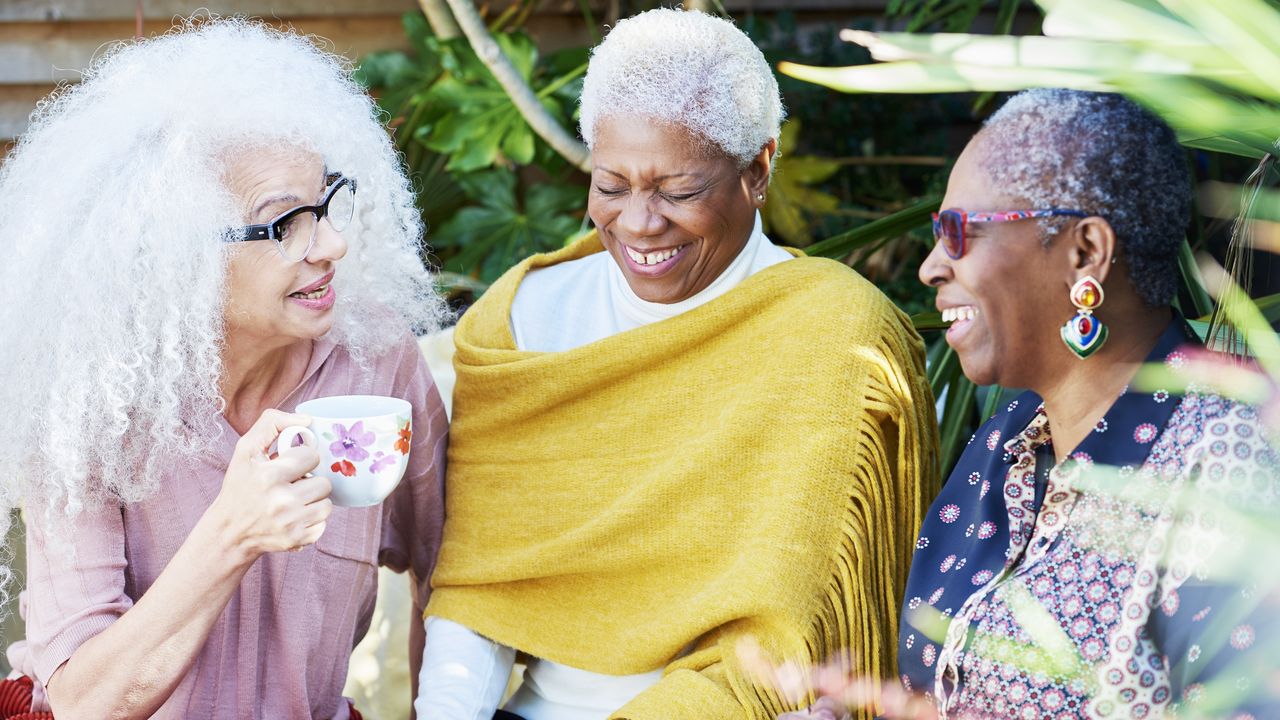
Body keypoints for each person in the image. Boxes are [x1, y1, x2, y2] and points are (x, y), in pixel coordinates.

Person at [413, 8, 939, 720]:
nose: (638, 222)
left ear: (757, 170)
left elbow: (793, 637)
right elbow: (479, 592)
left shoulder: (835, 337)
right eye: (611, 184)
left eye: (678, 191)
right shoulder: (523, 319)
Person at [0, 19, 449, 719]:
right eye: (283, 224)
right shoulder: (90, 399)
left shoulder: (376, 359)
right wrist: (233, 532)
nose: (330, 243)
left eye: (326, 202)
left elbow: (450, 567)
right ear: (178, 256)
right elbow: (85, 705)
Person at [894, 89, 1280, 718]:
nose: (932, 267)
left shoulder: (1230, 453)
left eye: (958, 231)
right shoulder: (1009, 439)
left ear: (1084, 253)